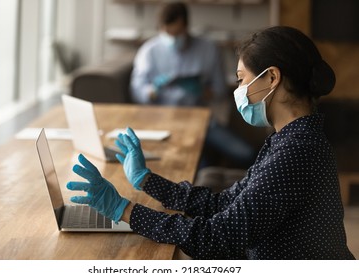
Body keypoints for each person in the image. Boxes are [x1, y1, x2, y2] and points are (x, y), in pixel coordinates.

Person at [66, 26, 355, 259]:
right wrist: (146, 180)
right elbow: (224, 203)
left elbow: (218, 239)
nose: (239, 90)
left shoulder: (297, 151)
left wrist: (124, 210)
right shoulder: (289, 139)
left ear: (272, 78)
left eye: (242, 80)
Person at [130, 1, 256, 168]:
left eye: (177, 33)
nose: (173, 38)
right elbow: (137, 90)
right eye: (168, 33)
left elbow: (219, 91)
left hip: (200, 118)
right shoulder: (149, 51)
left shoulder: (208, 49)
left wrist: (201, 90)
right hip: (162, 119)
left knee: (246, 153)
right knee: (197, 166)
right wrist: (154, 90)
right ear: (160, 28)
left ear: (186, 26)